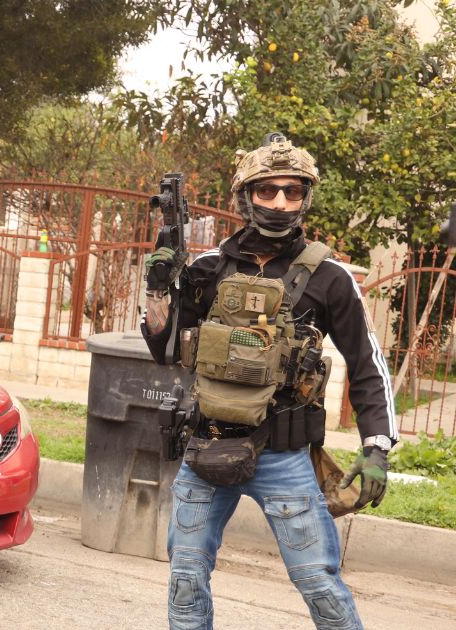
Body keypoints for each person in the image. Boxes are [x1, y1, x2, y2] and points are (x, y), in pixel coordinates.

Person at [140, 133, 395, 630]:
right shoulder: (209, 268)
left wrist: (377, 445)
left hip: (285, 456)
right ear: (245, 196)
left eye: (293, 192)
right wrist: (157, 288)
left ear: (304, 198)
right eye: (268, 191)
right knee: (186, 579)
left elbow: (366, 363)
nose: (281, 202)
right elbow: (163, 347)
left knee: (320, 585)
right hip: (209, 447)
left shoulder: (331, 277)